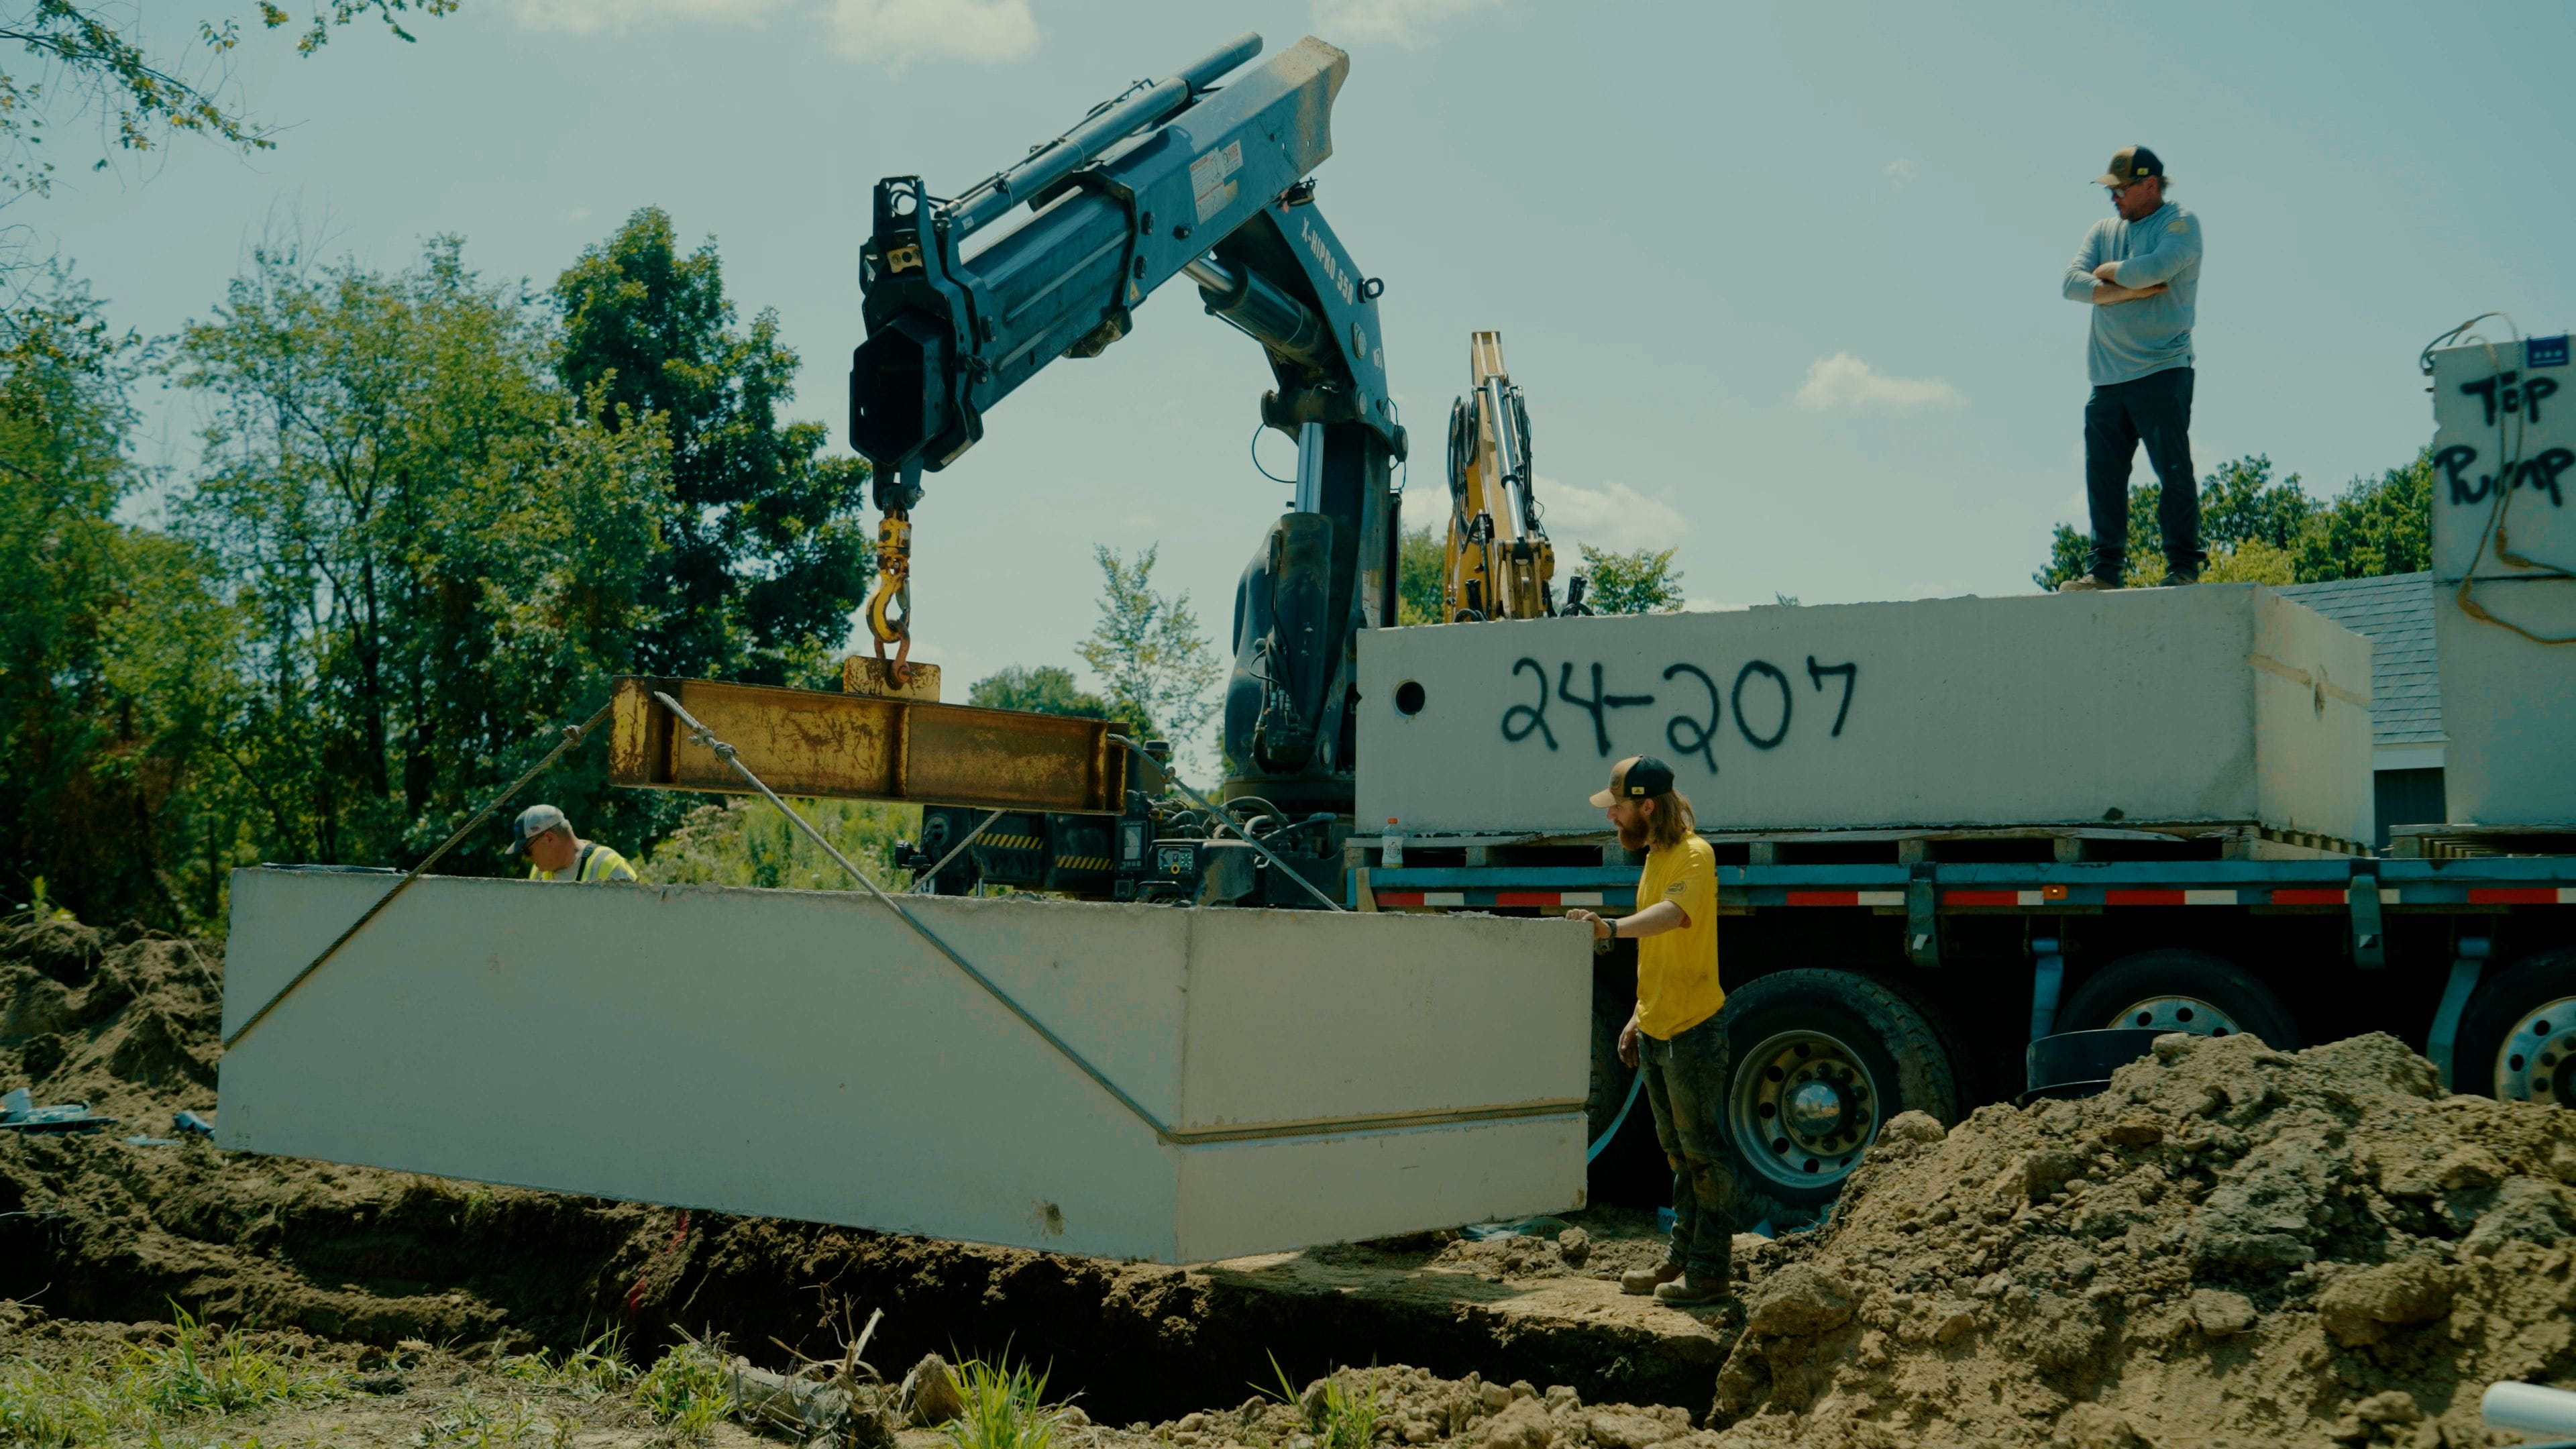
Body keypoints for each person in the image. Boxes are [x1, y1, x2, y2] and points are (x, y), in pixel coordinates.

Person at [1564, 755, 1735, 1307]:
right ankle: (1681, 1258)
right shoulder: (1657, 856)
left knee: (1703, 1153)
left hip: (1692, 1031)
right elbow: (1663, 952)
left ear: (1645, 804)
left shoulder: (1695, 854)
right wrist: (1639, 1016)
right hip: (1662, 1028)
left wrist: (1609, 927)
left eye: (1616, 806)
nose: (1611, 816)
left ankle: (1710, 1271)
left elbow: (1672, 918)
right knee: (1679, 1156)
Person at [2058, 144, 2206, 592]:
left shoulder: (2181, 224)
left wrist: (2106, 277)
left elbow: (2157, 269)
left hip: (2163, 370)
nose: (2114, 198)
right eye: (2112, 189)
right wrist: (2129, 288)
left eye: (2122, 189)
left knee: (2173, 473)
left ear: (2151, 185)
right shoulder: (2104, 229)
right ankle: (2104, 573)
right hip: (2106, 379)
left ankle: (2183, 569)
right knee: (2103, 479)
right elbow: (2070, 284)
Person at [510, 804, 638, 883]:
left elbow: (637, 918)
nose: (526, 858)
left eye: (527, 851)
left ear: (549, 839)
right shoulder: (538, 872)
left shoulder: (608, 864)